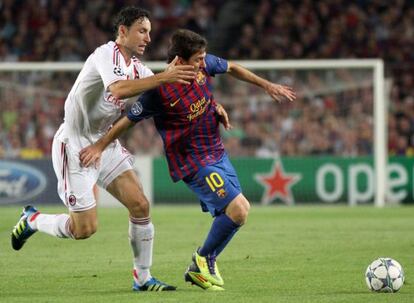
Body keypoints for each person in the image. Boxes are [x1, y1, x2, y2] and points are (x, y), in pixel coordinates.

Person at [78, 29, 295, 291]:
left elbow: (233, 68)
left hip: (217, 152)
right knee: (238, 208)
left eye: (204, 58)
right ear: (180, 61)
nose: (204, 64)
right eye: (198, 60)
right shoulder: (159, 91)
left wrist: (265, 86)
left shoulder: (203, 66)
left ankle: (202, 263)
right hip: (193, 162)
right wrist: (100, 146)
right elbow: (127, 120)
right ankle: (202, 260)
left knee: (238, 213)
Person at [10, 6, 197, 292]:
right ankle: (32, 220)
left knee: (140, 205)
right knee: (84, 229)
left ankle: (143, 278)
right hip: (75, 145)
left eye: (149, 32)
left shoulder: (138, 68)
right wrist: (164, 77)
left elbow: (162, 91)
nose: (148, 38)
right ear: (123, 31)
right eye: (142, 31)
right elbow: (119, 90)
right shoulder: (105, 54)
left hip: (104, 143)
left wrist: (207, 104)